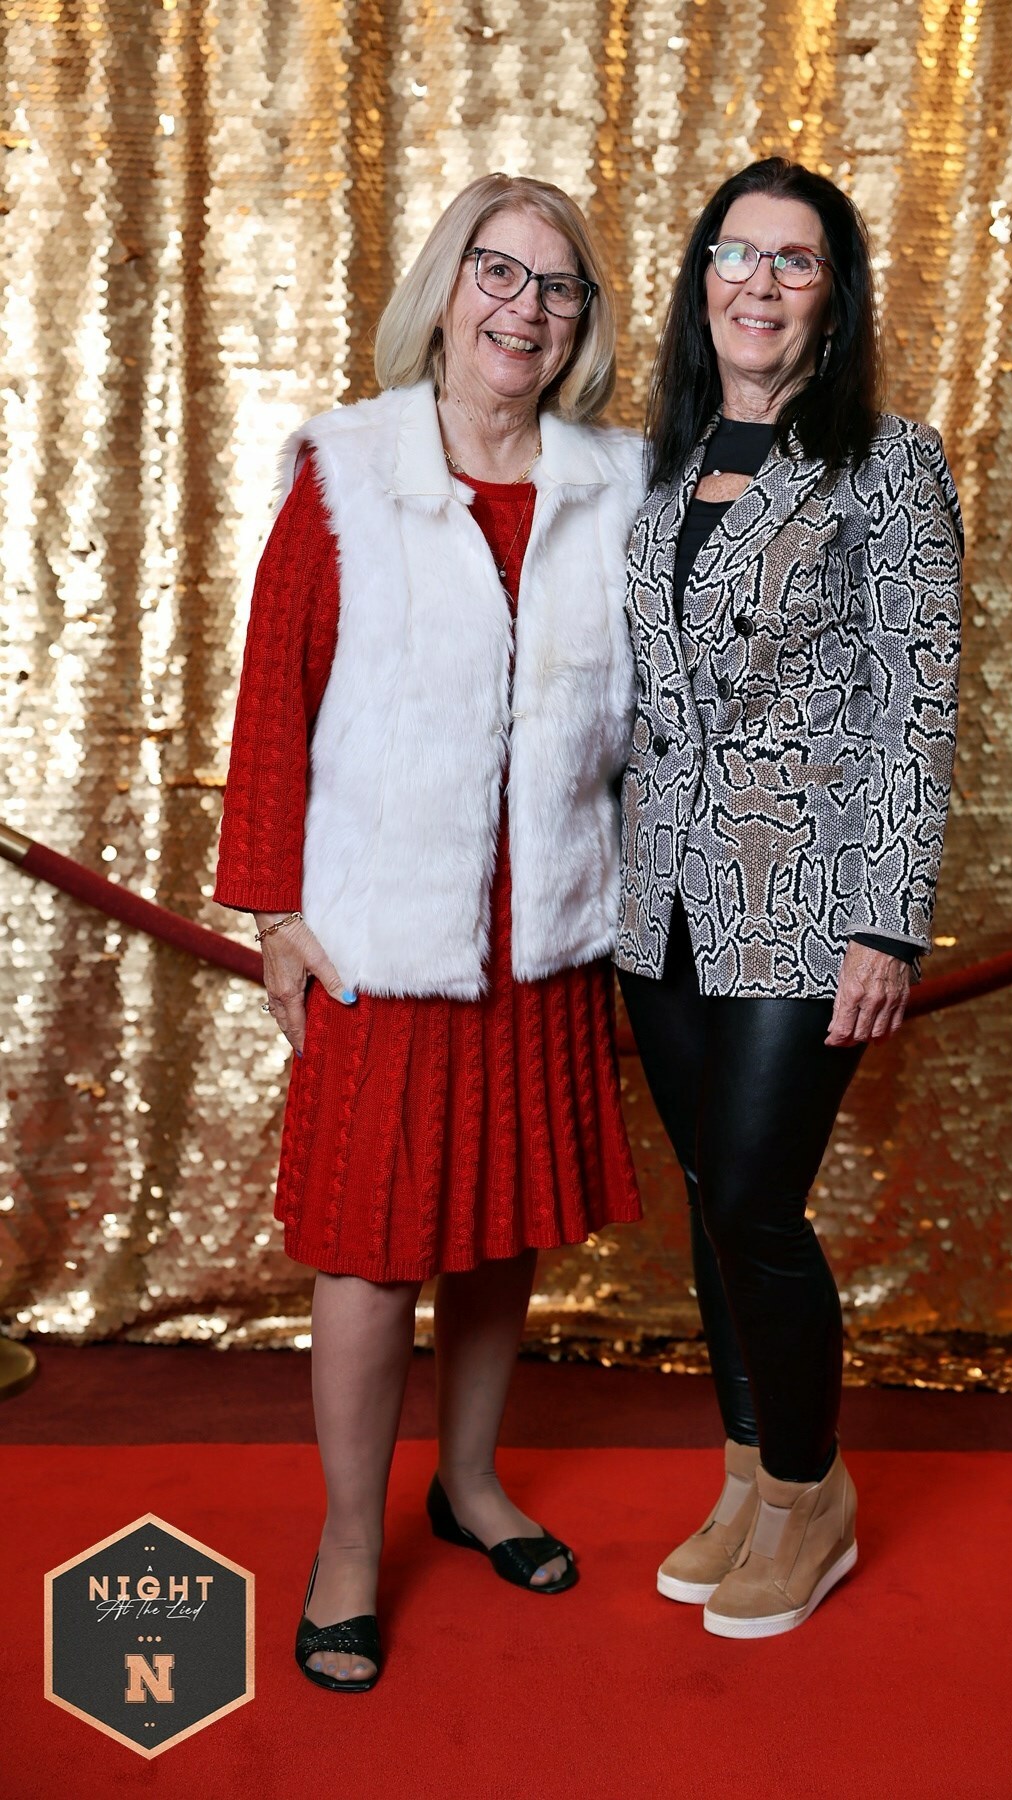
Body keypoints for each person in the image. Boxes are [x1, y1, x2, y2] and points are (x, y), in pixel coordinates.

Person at [214, 173, 644, 1690]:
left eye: (558, 286)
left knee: (501, 1225)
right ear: (447, 290)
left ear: (583, 322)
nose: (526, 309)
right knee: (371, 1247)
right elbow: (273, 698)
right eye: (498, 273)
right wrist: (274, 908)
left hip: (551, 931)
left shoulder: (619, 487)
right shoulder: (347, 471)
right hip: (385, 935)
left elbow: (660, 718)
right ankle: (348, 1541)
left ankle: (467, 1483)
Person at [615, 157, 963, 1640]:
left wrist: (889, 918)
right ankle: (751, 1476)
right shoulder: (660, 463)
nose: (758, 283)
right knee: (710, 1197)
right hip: (661, 893)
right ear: (702, 279)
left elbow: (916, 706)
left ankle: (813, 1494)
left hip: (810, 893)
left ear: (834, 295)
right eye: (735, 254)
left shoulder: (889, 464)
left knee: (757, 1195)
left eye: (794, 261)